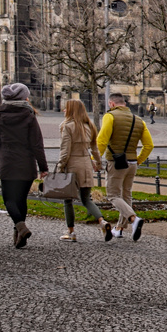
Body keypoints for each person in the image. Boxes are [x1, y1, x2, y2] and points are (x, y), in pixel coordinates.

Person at [0, 83, 48, 249]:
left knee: (9, 199)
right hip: (26, 162)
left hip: (7, 161)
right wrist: (43, 166)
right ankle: (19, 232)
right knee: (21, 199)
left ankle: (20, 229)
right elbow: (37, 143)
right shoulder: (28, 114)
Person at [96, 93, 154, 242]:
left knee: (113, 195)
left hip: (116, 163)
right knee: (126, 195)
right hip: (133, 162)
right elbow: (149, 145)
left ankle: (134, 219)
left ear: (112, 104)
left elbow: (102, 140)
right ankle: (119, 229)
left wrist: (94, 159)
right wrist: (138, 160)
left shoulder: (110, 116)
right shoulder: (139, 120)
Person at [55, 98, 104, 242]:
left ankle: (71, 232)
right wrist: (98, 164)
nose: (64, 110)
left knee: (68, 200)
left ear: (71, 110)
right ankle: (102, 222)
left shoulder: (68, 126)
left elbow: (65, 150)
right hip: (86, 164)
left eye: (66, 108)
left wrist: (60, 167)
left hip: (72, 165)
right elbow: (95, 149)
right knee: (86, 199)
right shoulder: (90, 126)